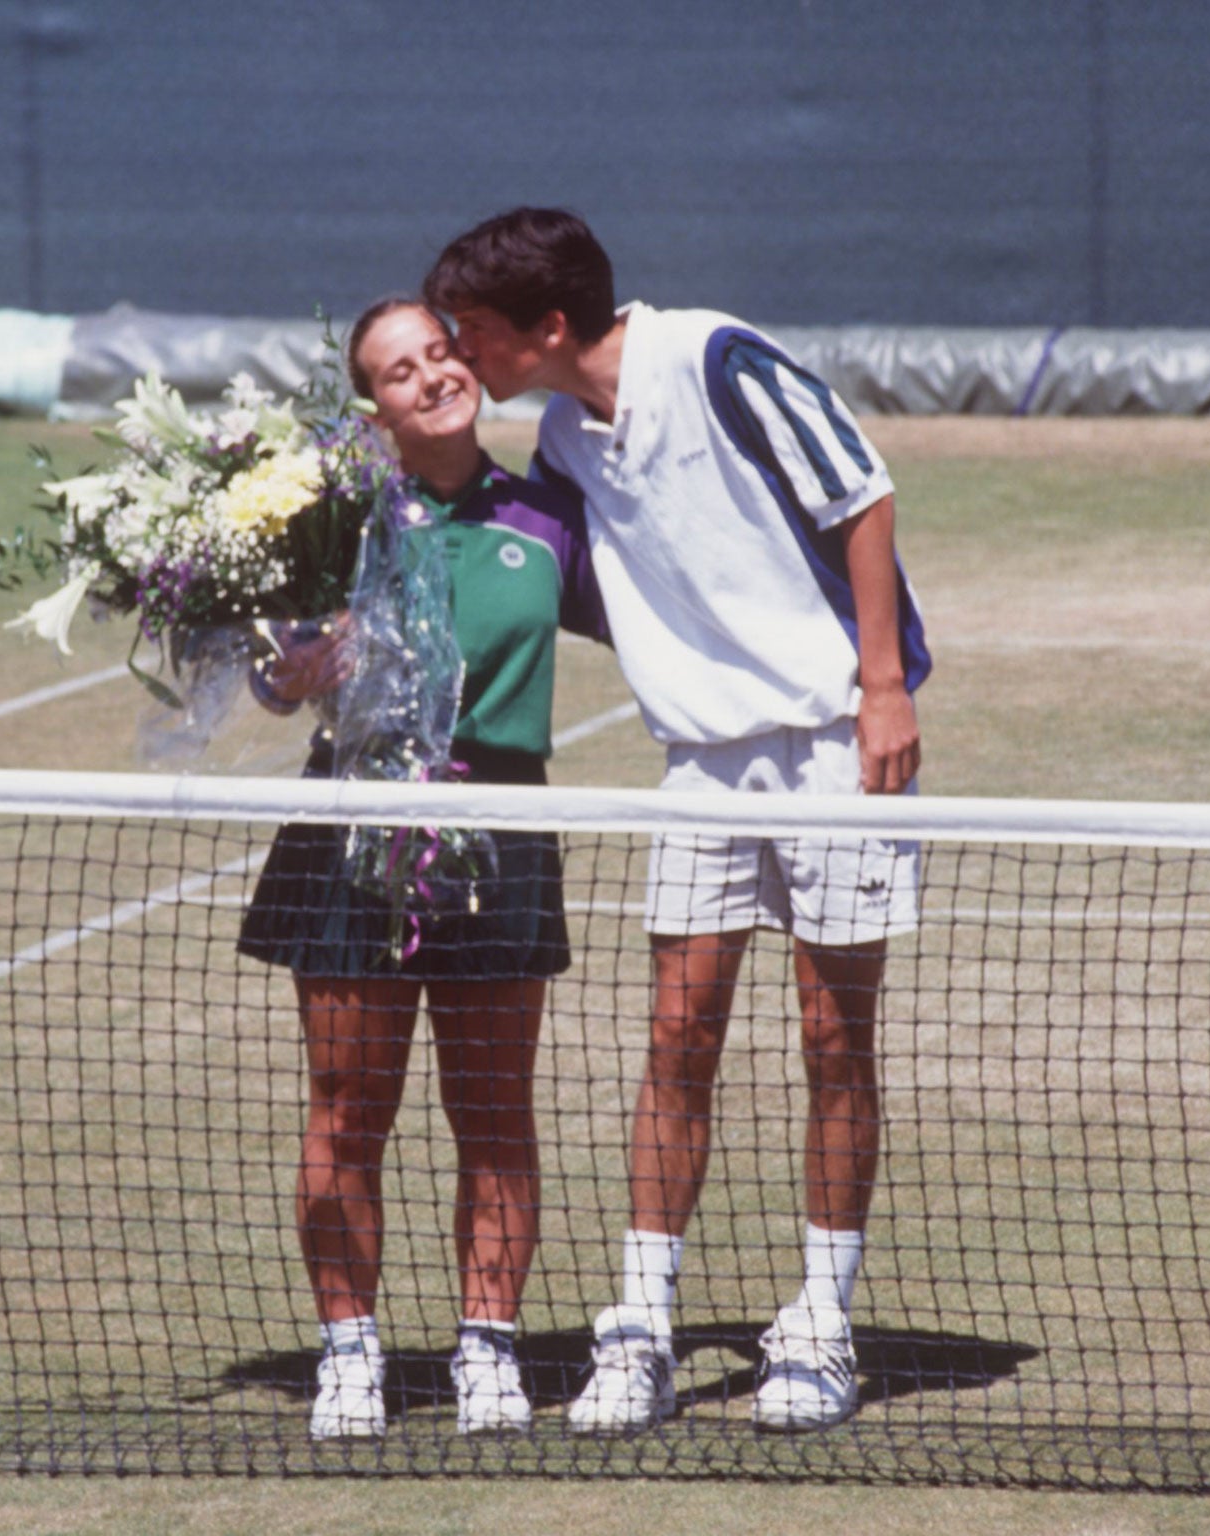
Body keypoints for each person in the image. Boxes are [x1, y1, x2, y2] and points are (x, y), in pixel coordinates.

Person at [423, 208, 928, 1434]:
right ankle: (641, 1327)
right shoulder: (559, 436)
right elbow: (536, 564)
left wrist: (880, 687)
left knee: (830, 1039)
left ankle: (819, 1324)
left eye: (473, 335)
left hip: (828, 744)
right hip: (699, 763)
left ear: (547, 326)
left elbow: (860, 497)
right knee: (675, 1036)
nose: (458, 356)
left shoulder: (715, 359)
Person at [235, 297, 609, 1439]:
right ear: (373, 403)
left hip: (498, 828)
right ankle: (351, 1354)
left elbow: (668, 620)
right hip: (353, 825)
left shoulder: (548, 514)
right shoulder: (331, 519)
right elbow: (266, 665)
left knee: (493, 1110)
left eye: (442, 353)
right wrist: (287, 673)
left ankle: (485, 1349)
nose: (432, 377)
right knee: (349, 1110)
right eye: (400, 370)